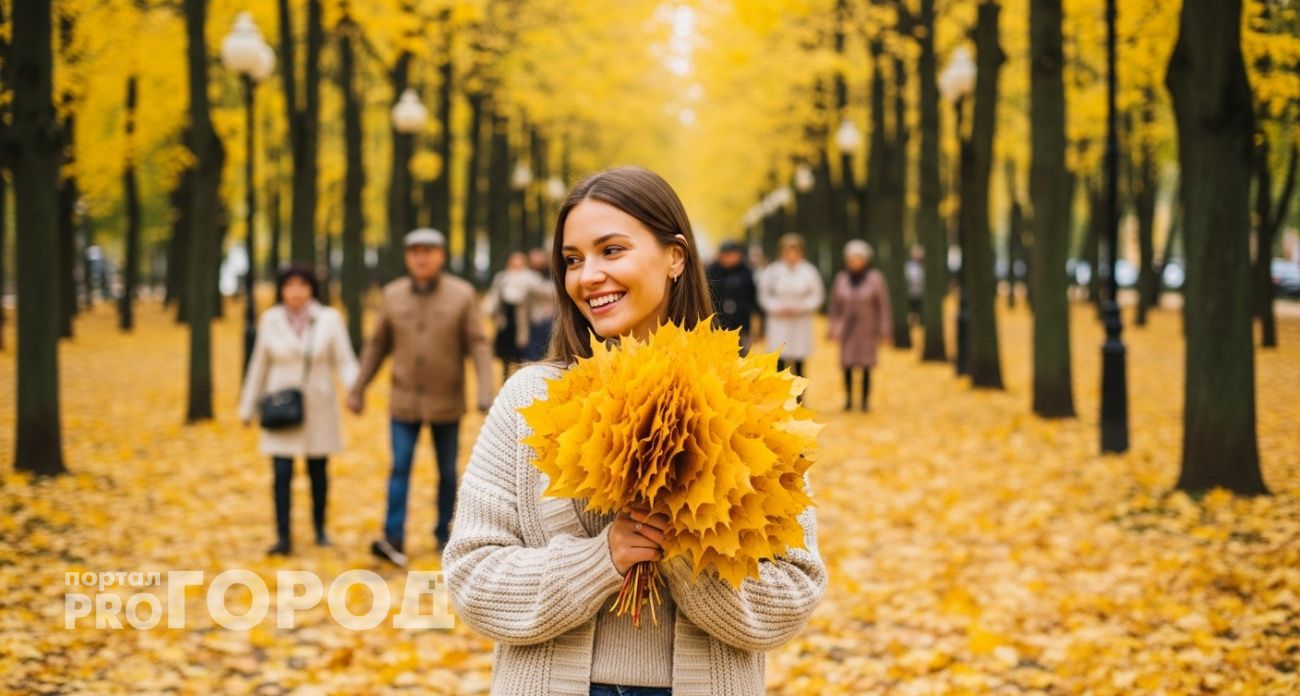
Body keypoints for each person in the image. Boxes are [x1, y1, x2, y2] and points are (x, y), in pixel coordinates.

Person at [444, 167, 825, 695]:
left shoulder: (751, 404)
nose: (587, 276)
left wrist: (683, 540)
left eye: (612, 250)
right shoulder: (530, 400)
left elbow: (791, 592)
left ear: (675, 257)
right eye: (572, 260)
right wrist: (603, 559)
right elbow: (472, 579)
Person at [347, 228, 495, 566]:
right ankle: (392, 537)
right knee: (400, 467)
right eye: (415, 252)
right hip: (403, 402)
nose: (422, 257)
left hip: (447, 401)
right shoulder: (392, 295)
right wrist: (358, 389)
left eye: (429, 251)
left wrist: (485, 391)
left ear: (441, 255)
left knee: (447, 471)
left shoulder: (461, 295)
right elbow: (376, 346)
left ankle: (445, 534)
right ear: (407, 257)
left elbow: (478, 345)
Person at [238, 264, 359, 556]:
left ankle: (319, 528)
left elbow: (343, 359)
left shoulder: (329, 319)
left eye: (302, 285)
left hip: (318, 405)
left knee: (318, 470)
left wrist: (354, 391)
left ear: (312, 289)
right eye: (289, 285)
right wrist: (247, 407)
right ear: (281, 290)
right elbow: (258, 366)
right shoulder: (270, 320)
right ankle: (283, 537)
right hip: (281, 406)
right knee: (281, 472)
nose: (296, 292)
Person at [828, 240, 893, 412]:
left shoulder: (875, 279)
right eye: (851, 258)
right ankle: (849, 400)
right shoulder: (841, 279)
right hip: (847, 329)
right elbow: (834, 305)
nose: (855, 262)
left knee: (866, 366)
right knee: (847, 364)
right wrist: (833, 327)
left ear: (866, 260)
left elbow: (883, 306)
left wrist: (884, 329)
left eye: (858, 258)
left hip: (867, 328)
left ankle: (865, 401)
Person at [757, 233, 824, 377]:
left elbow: (817, 295)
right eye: (788, 251)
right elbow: (764, 295)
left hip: (800, 322)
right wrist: (776, 307)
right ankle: (780, 397)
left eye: (795, 251)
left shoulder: (809, 272)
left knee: (799, 362)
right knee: (779, 361)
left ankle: (800, 396)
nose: (792, 255)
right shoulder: (772, 271)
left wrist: (803, 306)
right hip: (778, 321)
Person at [484, 250, 544, 377]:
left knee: (521, 352)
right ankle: (505, 377)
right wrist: (490, 310)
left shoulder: (530, 277)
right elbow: (495, 295)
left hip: (523, 322)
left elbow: (541, 295)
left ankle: (520, 378)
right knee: (504, 354)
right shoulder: (503, 277)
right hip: (505, 320)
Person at [705, 239, 759, 354]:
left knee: (743, 356)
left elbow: (753, 297)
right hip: (717, 324)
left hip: (742, 324)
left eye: (732, 254)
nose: (729, 258)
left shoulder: (746, 272)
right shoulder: (712, 270)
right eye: (725, 254)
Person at [524, 247, 557, 361]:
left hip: (548, 318)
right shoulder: (528, 276)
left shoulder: (550, 273)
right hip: (534, 319)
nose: (538, 260)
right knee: (534, 349)